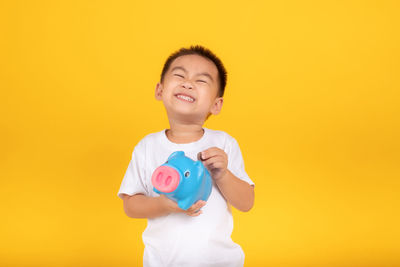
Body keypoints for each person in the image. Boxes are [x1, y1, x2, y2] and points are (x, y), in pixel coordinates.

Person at [117, 45, 255, 267]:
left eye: (201, 81)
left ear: (216, 104)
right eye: (179, 75)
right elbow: (130, 206)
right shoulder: (147, 147)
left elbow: (247, 202)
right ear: (160, 90)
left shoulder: (223, 144)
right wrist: (164, 205)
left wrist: (223, 174)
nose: (188, 83)